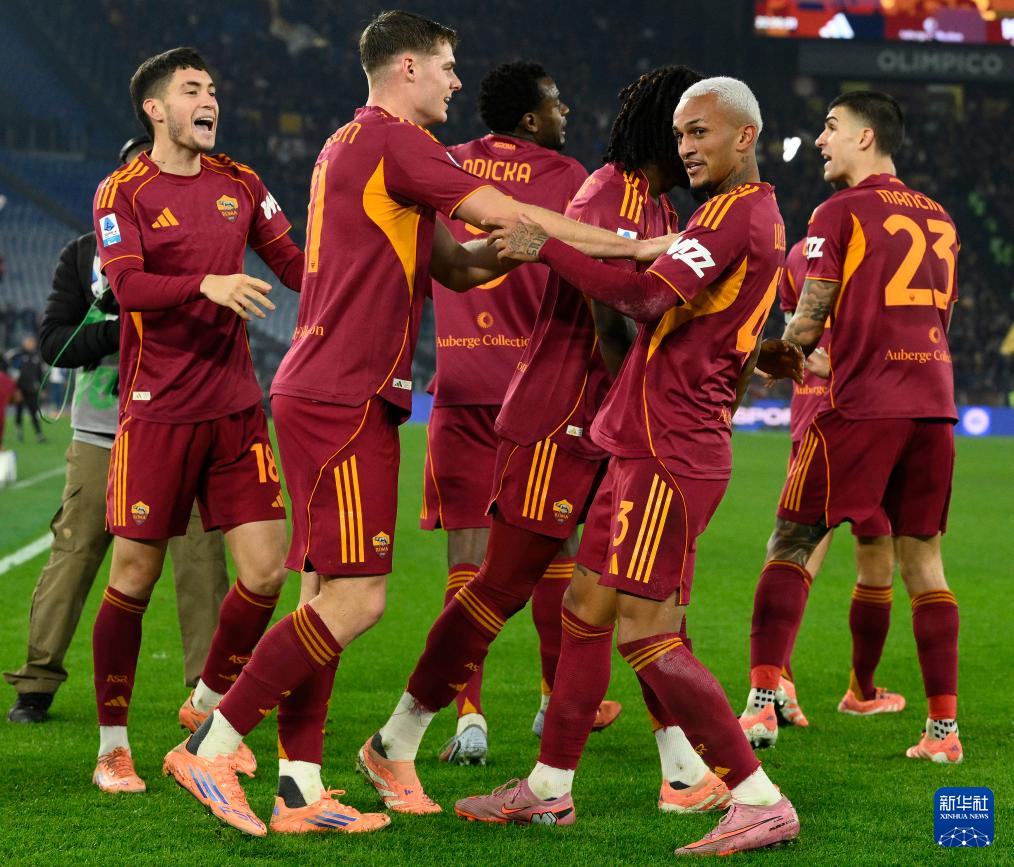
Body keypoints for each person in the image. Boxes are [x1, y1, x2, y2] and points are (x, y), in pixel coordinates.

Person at [163, 10, 669, 838]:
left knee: (323, 596)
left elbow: (459, 264)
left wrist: (524, 250)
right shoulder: (397, 141)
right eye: (446, 65)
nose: (456, 82)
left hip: (328, 387)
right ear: (407, 68)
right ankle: (212, 746)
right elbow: (501, 210)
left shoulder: (351, 145)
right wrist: (635, 248)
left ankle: (297, 785)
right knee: (357, 600)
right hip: (346, 392)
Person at [364, 63, 740, 819]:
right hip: (561, 421)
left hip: (616, 428)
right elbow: (610, 321)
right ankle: (396, 739)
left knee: (639, 598)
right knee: (500, 587)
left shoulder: (658, 206)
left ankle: (672, 769)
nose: (692, 147)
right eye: (686, 131)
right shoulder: (605, 193)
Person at [455, 76, 802, 857]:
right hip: (645, 438)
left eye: (700, 132)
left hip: (669, 448)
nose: (686, 147)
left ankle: (758, 798)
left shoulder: (734, 214)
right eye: (679, 135)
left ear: (744, 136)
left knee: (649, 636)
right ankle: (549, 789)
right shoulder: (744, 212)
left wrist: (548, 247)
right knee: (584, 607)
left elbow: (644, 300)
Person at [89, 47, 305, 794]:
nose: (208, 99)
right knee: (134, 577)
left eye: (211, 88)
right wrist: (205, 283)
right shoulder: (122, 191)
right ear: (155, 109)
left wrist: (368, 267)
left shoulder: (241, 182)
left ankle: (208, 705)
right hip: (157, 414)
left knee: (266, 572)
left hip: (237, 410)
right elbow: (127, 286)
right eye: (191, 89)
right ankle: (112, 746)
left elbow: (295, 264)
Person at [739, 90, 962, 763]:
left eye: (831, 127)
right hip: (934, 405)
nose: (820, 139)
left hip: (861, 405)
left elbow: (807, 323)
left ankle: (761, 702)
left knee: (792, 540)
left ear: (866, 137)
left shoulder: (838, 211)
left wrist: (767, 357)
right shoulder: (940, 217)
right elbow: (940, 316)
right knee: (924, 563)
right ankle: (943, 733)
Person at [420, 59, 621, 767]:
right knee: (555, 549)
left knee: (467, 560)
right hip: (538, 395)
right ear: (532, 118)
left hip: (460, 386)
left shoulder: (444, 163)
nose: (566, 112)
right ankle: (551, 698)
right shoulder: (569, 177)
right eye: (557, 102)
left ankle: (468, 716)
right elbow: (593, 269)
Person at [5, 135, 230, 724]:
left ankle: (209, 699)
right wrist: (123, 327)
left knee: (201, 562)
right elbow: (54, 344)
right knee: (75, 553)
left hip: (186, 426)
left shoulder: (205, 243)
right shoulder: (85, 253)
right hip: (102, 434)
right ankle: (36, 684)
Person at [740, 237, 903, 748]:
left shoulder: (798, 255)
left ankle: (782, 682)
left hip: (811, 412)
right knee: (871, 550)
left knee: (801, 548)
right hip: (867, 411)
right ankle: (853, 690)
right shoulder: (887, 245)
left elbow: (799, 333)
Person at [7, 336, 46, 443]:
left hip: (32, 390)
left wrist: (42, 387)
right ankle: (18, 432)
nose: (31, 344)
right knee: (19, 412)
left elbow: (40, 374)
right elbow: (13, 373)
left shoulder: (37, 356)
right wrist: (15, 389)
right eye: (29, 342)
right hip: (20, 390)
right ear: (24, 342)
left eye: (32, 342)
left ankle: (39, 434)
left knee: (34, 412)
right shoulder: (18, 355)